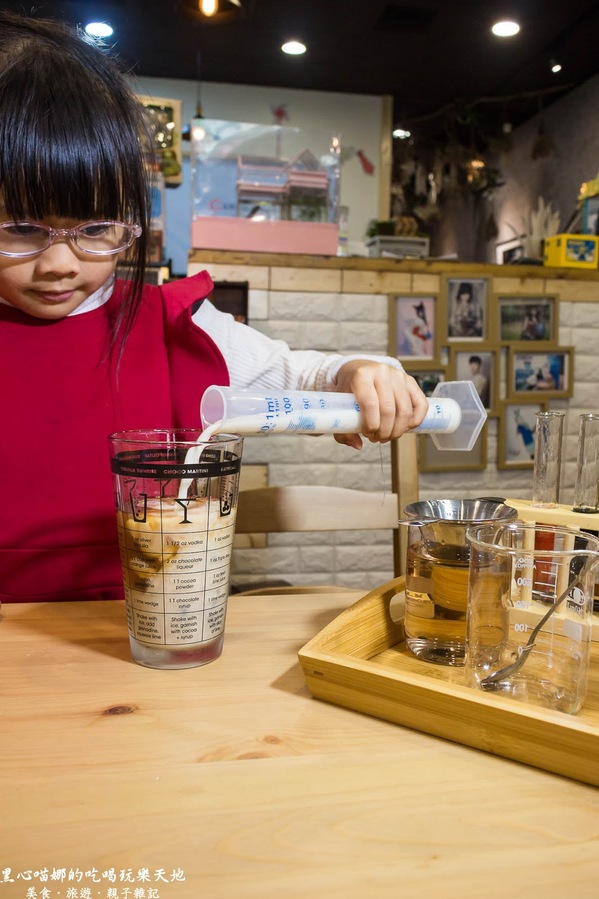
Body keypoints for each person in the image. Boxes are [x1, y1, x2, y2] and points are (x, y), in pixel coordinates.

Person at [0, 12, 428, 604]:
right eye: (22, 229)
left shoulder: (172, 322)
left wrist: (356, 371)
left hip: (152, 623)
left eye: (96, 228)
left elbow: (301, 373)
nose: (61, 264)